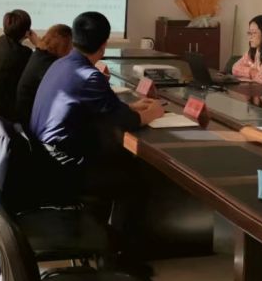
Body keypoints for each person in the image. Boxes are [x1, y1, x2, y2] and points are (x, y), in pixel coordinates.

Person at [30, 11, 167, 168]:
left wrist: (131, 107)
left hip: (44, 154)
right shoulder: (89, 76)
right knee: (135, 167)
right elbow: (124, 121)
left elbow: (108, 109)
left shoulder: (61, 63)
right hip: (64, 162)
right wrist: (154, 112)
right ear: (104, 44)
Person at [13, 24, 73, 118]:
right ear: (64, 46)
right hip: (30, 120)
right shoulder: (48, 65)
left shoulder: (40, 55)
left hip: (27, 115)